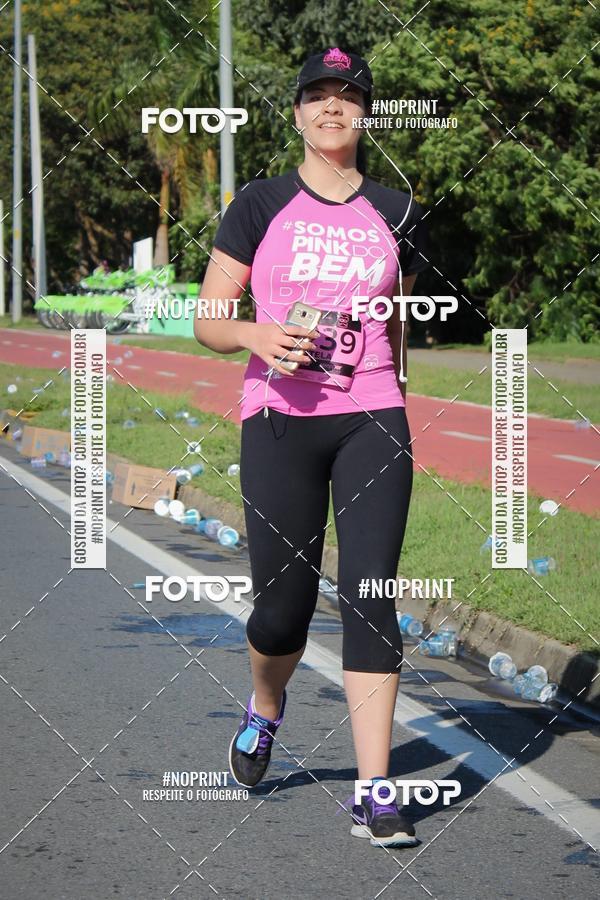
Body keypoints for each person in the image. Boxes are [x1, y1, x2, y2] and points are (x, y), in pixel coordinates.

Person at [194, 48, 428, 848]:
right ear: (296, 113)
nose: (333, 107)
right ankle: (265, 707)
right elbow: (208, 317)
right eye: (318, 96)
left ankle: (374, 789)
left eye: (348, 95)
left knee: (371, 591)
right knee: (282, 608)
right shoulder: (258, 204)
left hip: (372, 415)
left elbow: (400, 321)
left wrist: (397, 401)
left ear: (366, 114)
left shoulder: (397, 209)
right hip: (279, 420)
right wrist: (260, 332)